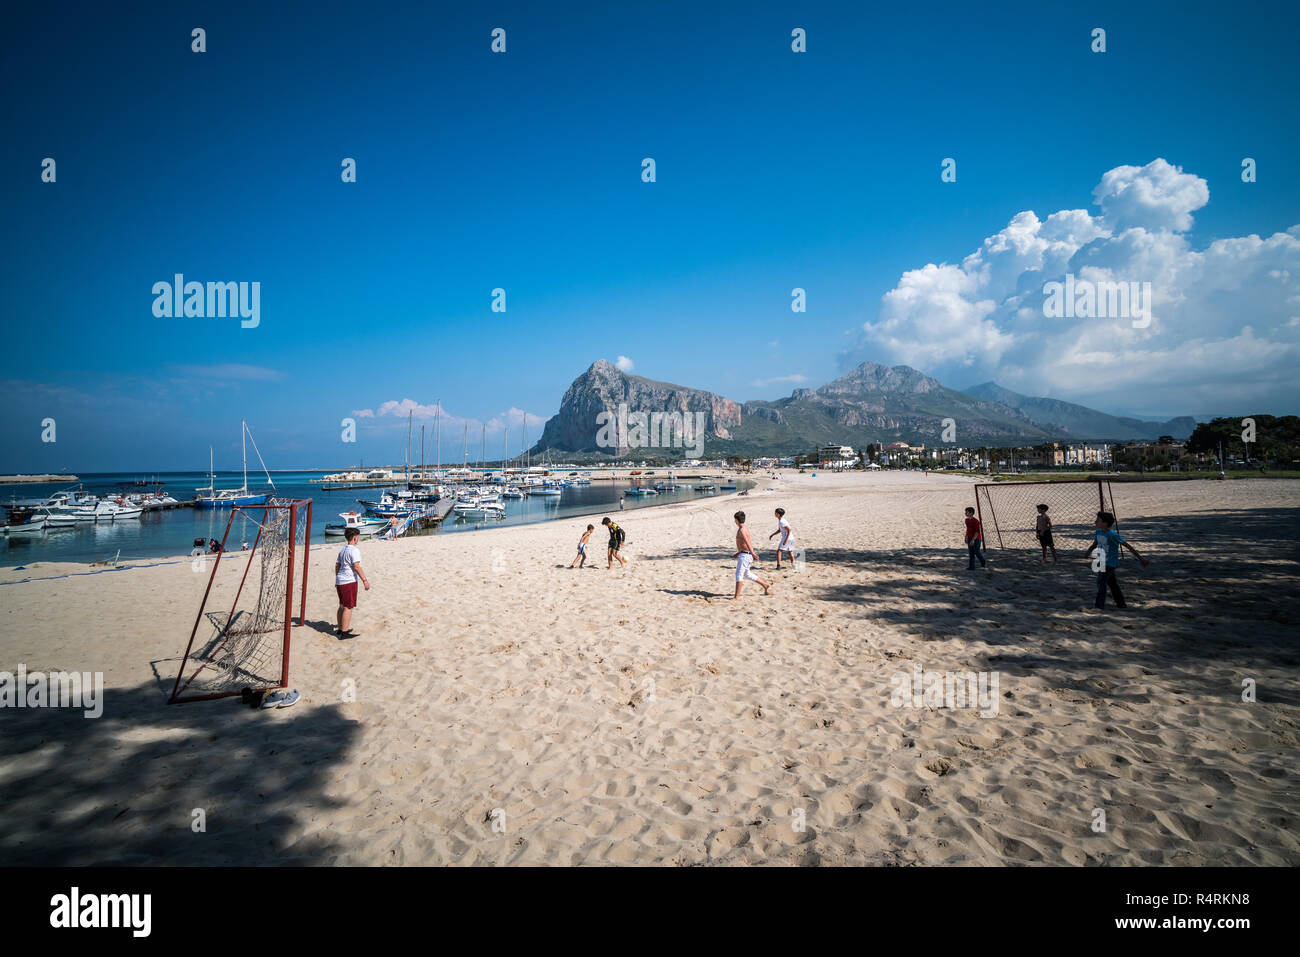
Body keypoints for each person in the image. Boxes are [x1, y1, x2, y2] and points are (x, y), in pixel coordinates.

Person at [1084, 511, 1149, 609]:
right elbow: (1094, 544)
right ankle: (1121, 603)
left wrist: (1141, 559)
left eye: (1098, 520)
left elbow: (1128, 546)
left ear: (1105, 523)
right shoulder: (1098, 532)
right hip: (1102, 562)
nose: (1095, 522)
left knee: (1101, 582)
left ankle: (1099, 605)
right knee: (1112, 584)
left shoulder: (1113, 535)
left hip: (1110, 563)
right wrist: (1088, 552)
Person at [335, 527, 370, 638]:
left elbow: (337, 565)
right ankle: (344, 632)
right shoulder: (354, 550)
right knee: (348, 606)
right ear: (355, 538)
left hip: (340, 580)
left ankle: (340, 629)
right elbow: (356, 566)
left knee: (341, 605)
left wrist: (337, 578)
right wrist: (365, 580)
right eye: (358, 537)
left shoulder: (343, 549)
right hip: (348, 581)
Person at [733, 511, 771, 598]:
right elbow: (744, 544)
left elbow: (747, 542)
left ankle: (736, 597)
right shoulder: (743, 528)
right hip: (745, 554)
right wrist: (738, 552)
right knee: (747, 574)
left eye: (734, 520)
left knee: (739, 574)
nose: (734, 521)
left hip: (746, 555)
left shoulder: (742, 530)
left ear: (736, 520)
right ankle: (765, 585)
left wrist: (753, 553)